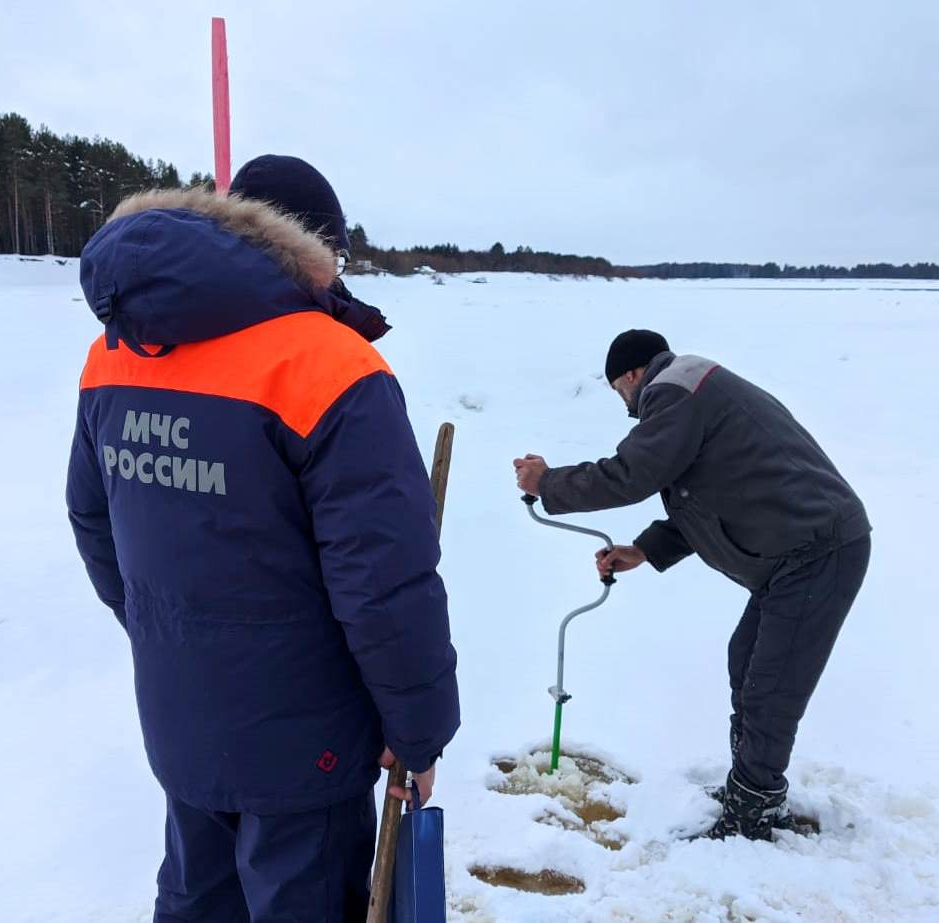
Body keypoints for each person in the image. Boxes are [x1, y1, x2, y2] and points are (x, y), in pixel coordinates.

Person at [66, 154, 460, 921]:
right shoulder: (329, 363)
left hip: (181, 715)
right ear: (312, 247)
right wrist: (418, 732)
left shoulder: (117, 351)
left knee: (197, 898)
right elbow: (382, 582)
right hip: (303, 739)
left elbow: (93, 521)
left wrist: (171, 635)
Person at [513, 329, 869, 840]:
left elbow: (631, 474)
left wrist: (548, 483)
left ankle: (755, 811)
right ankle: (752, 788)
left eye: (620, 392)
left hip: (818, 550)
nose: (627, 407)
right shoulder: (694, 391)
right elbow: (712, 489)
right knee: (746, 660)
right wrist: (646, 550)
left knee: (770, 687)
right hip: (796, 553)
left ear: (633, 375)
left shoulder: (673, 390)